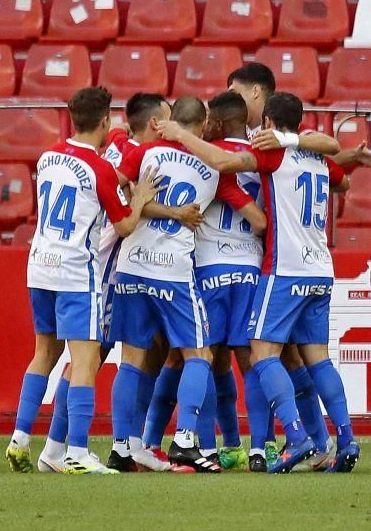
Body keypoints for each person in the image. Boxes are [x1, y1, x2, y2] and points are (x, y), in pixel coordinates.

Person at [159, 92, 361, 474]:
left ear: (267, 122)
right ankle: (347, 439)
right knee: (318, 358)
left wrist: (179, 133)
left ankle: (297, 436)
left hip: (284, 268)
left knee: (262, 353)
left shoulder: (273, 153)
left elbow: (221, 161)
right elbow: (342, 179)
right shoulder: (315, 155)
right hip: (320, 268)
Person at [36, 93, 203, 473]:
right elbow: (125, 215)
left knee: (108, 359)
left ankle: (72, 447)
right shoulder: (129, 160)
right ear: (151, 125)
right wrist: (171, 209)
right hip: (104, 273)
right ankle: (66, 448)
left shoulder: (118, 149)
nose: (168, 128)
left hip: (105, 270)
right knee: (88, 361)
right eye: (164, 121)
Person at [5, 87, 162, 475]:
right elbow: (124, 225)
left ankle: (21, 439)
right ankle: (77, 450)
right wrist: (140, 197)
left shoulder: (48, 157)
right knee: (85, 360)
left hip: (39, 265)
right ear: (106, 122)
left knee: (44, 353)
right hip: (76, 272)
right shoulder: (100, 169)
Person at [107, 96, 262, 473]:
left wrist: (139, 202)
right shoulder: (213, 168)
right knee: (199, 355)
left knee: (131, 360)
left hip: (132, 265)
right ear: (203, 123)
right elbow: (255, 218)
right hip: (174, 272)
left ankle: (120, 446)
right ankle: (186, 441)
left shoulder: (145, 152)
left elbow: (110, 186)